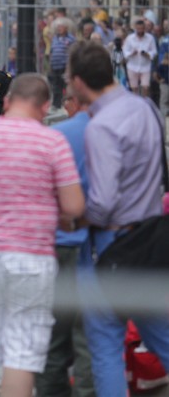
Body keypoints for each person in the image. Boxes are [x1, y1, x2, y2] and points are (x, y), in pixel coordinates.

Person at [0, 73, 84, 397]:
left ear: (8, 101)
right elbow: (74, 206)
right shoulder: (52, 141)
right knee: (22, 353)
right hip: (32, 259)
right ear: (45, 107)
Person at [66, 41, 169, 396]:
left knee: (105, 344)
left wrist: (76, 220)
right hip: (153, 239)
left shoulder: (102, 127)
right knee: (162, 336)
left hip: (116, 244)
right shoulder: (146, 108)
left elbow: (104, 202)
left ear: (79, 83)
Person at [34, 91, 95, 397]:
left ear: (73, 100)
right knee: (88, 339)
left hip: (55, 247)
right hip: (92, 249)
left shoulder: (58, 137)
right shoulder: (107, 134)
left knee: (52, 339)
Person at [122, 19, 157, 98]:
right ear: (135, 28)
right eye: (138, 29)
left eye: (142, 29)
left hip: (145, 66)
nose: (140, 31)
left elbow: (154, 51)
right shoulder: (130, 38)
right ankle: (136, 104)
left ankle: (145, 103)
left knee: (145, 87)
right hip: (132, 65)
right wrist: (131, 53)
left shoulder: (150, 38)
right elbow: (124, 51)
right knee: (134, 88)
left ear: (144, 28)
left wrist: (148, 54)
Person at [49, 18, 75, 109]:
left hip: (65, 65)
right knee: (56, 85)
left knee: (66, 85)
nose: (59, 28)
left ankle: (67, 103)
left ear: (66, 28)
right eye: (58, 27)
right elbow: (52, 51)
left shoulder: (71, 39)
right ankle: (56, 104)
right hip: (55, 65)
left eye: (61, 27)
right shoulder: (55, 38)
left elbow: (71, 52)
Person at [157, 18, 169, 118]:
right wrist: (160, 78)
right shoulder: (165, 40)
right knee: (164, 100)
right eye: (164, 24)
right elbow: (161, 61)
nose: (166, 27)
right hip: (165, 78)